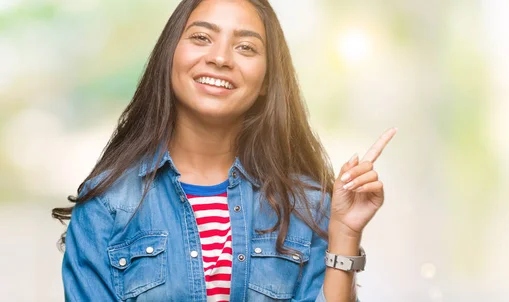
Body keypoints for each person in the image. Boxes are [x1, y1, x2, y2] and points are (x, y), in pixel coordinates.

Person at [52, 0, 397, 301]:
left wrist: (346, 233)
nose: (219, 58)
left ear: (267, 82)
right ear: (169, 56)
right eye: (201, 38)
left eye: (245, 47)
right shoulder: (106, 204)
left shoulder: (308, 205)